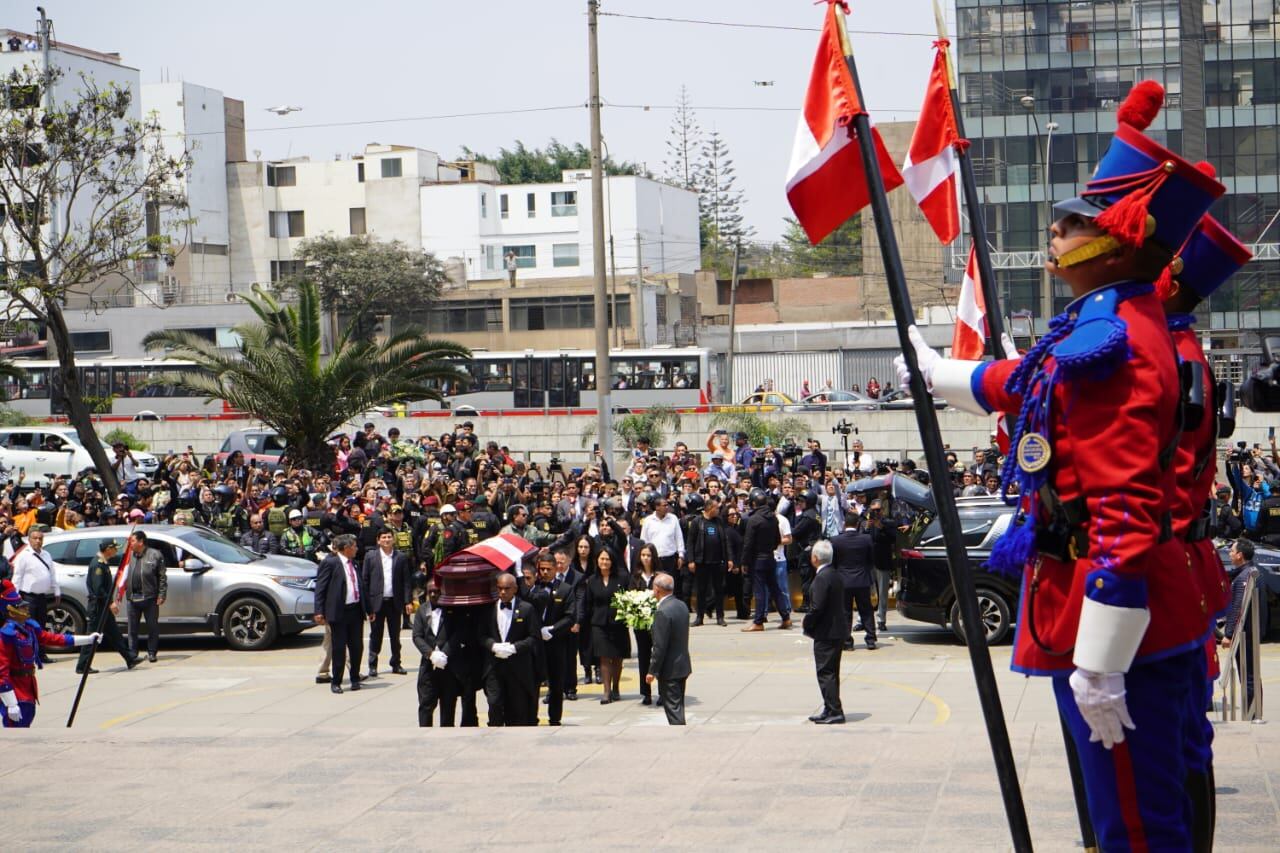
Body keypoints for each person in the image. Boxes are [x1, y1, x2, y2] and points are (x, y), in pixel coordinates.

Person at [895, 81, 1224, 850]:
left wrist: (1103, 661)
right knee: (1147, 806)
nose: (1057, 229)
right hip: (1143, 613)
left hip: (1117, 624)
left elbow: (1126, 508)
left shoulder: (1117, 340)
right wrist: (942, 373)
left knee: (1135, 827)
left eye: (1075, 222)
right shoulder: (1116, 323)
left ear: (1119, 238)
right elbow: (1029, 382)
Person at [1, 580, 101, 727]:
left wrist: (88, 639)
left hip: (28, 688)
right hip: (15, 691)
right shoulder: (6, 635)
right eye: (21, 607)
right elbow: (1, 674)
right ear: (11, 611)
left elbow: (54, 638)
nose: (26, 609)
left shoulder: (28, 628)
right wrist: (10, 703)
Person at [480, 572, 541, 726]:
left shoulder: (527, 609)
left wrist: (514, 648)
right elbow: (481, 635)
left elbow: (534, 638)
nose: (502, 592)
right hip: (494, 666)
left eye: (506, 588)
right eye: (500, 588)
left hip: (518, 668)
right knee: (494, 704)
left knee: (517, 709)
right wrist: (493, 645)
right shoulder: (488, 610)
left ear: (515, 589)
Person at [76, 539, 138, 674]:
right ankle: (82, 665)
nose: (116, 551)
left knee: (115, 634)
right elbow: (98, 590)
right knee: (92, 637)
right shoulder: (98, 565)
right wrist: (110, 603)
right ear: (108, 549)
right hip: (98, 608)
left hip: (103, 607)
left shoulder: (103, 563)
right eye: (114, 548)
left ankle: (130, 658)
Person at [803, 541, 847, 724]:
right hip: (836, 630)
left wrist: (807, 624)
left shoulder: (822, 577)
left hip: (826, 632)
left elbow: (817, 607)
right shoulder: (834, 574)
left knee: (825, 672)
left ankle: (835, 710)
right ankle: (830, 708)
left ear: (815, 558)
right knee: (831, 672)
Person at [577, 547, 630, 703]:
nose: (604, 562)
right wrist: (581, 622)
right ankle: (606, 691)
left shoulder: (622, 578)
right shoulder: (592, 580)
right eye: (602, 559)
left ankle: (616, 688)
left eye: (607, 559)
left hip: (618, 622)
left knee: (618, 657)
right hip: (598, 624)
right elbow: (587, 603)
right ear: (597, 561)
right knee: (604, 657)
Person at [314, 534, 364, 694]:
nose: (357, 549)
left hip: (355, 611)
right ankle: (336, 681)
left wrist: (368, 609)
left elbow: (361, 587)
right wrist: (319, 611)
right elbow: (320, 588)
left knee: (357, 647)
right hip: (338, 613)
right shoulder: (330, 563)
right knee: (338, 648)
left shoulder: (354, 564)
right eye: (354, 546)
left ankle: (355, 678)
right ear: (347, 548)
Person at [361, 529, 412, 678]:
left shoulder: (401, 557)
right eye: (383, 537)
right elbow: (365, 581)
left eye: (389, 537)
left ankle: (396, 663)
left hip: (394, 602)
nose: (386, 539)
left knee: (395, 636)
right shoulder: (371, 557)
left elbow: (406, 581)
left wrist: (408, 601)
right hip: (377, 603)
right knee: (376, 635)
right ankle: (372, 665)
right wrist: (367, 604)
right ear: (378, 540)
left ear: (393, 539)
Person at [534, 551, 575, 725]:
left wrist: (552, 629)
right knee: (533, 683)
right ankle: (531, 716)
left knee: (556, 684)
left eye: (548, 569)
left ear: (555, 568)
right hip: (535, 643)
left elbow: (570, 616)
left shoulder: (565, 589)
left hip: (556, 643)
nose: (544, 572)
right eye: (541, 569)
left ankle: (555, 718)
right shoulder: (532, 588)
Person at [1221, 539, 1262, 714]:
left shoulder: (1243, 577)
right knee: (1251, 674)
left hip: (1245, 634)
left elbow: (1238, 607)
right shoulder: (1251, 572)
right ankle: (1254, 710)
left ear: (1240, 555)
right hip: (1251, 631)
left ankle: (1252, 712)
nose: (1229, 554)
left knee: (1248, 676)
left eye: (1232, 551)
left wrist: (1228, 634)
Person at [741, 489, 789, 632]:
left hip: (757, 559)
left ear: (754, 503)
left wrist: (744, 561)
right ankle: (786, 617)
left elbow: (748, 543)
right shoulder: (773, 518)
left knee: (760, 591)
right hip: (770, 556)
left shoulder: (754, 519)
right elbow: (777, 540)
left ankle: (758, 622)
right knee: (775, 589)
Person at [647, 572, 691, 725]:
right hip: (682, 666)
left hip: (670, 670)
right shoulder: (682, 605)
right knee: (678, 706)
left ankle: (681, 739)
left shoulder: (662, 612)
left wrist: (652, 670)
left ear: (657, 589)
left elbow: (659, 647)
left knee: (673, 710)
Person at [411, 579, 457, 726]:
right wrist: (430, 654)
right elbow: (417, 636)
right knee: (426, 704)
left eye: (436, 591)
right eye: (430, 591)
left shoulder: (452, 609)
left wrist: (445, 653)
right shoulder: (422, 610)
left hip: (448, 666)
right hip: (428, 665)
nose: (433, 594)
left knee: (448, 705)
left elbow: (457, 633)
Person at [831, 512, 878, 651]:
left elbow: (833, 563)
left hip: (843, 580)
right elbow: (871, 560)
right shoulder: (866, 539)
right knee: (866, 610)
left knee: (845, 612)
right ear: (857, 524)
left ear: (845, 524)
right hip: (862, 579)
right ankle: (870, 639)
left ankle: (847, 641)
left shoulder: (836, 540)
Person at [11, 528, 59, 662]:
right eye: (35, 538)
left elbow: (52, 574)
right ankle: (29, 655)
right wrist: (15, 598)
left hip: (42, 597)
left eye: (40, 539)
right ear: (29, 540)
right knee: (28, 627)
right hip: (27, 598)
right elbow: (17, 578)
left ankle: (41, 654)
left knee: (41, 627)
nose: (38, 541)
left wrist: (57, 591)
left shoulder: (46, 555)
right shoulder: (24, 556)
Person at [122, 530, 166, 663]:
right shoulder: (129, 555)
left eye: (133, 541)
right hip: (132, 598)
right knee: (132, 628)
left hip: (149, 598)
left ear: (141, 542)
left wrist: (162, 594)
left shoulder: (155, 555)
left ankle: (152, 652)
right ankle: (132, 653)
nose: (131, 543)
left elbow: (162, 577)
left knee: (152, 626)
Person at [685, 496, 729, 626]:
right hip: (702, 562)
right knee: (701, 591)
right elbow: (690, 542)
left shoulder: (719, 521)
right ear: (709, 508)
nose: (718, 510)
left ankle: (720, 617)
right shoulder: (697, 522)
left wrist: (729, 558)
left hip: (717, 562)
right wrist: (691, 560)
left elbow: (725, 541)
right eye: (716, 508)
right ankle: (700, 617)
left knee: (719, 590)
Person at [631, 543, 660, 706]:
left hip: (657, 623)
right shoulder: (635, 576)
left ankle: (663, 692)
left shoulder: (660, 576)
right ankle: (646, 692)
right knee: (644, 657)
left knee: (660, 655)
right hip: (641, 623)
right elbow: (629, 596)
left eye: (648, 555)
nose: (645, 558)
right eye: (643, 555)